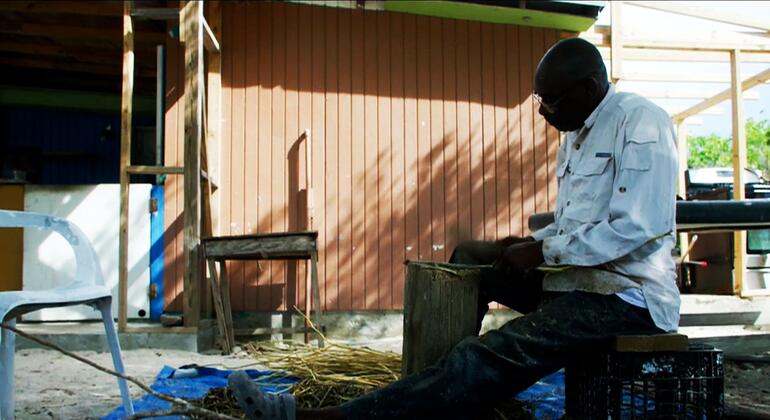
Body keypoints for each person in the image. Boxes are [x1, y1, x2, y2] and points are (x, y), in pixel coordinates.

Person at [227, 36, 681, 420]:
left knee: (491, 352)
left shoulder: (641, 121)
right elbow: (573, 225)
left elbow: (633, 228)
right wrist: (529, 243)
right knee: (466, 265)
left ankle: (329, 417)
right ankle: (442, 390)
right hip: (576, 282)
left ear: (590, 88)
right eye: (538, 100)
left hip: (626, 298)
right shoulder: (576, 130)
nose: (543, 112)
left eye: (551, 101)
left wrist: (542, 252)